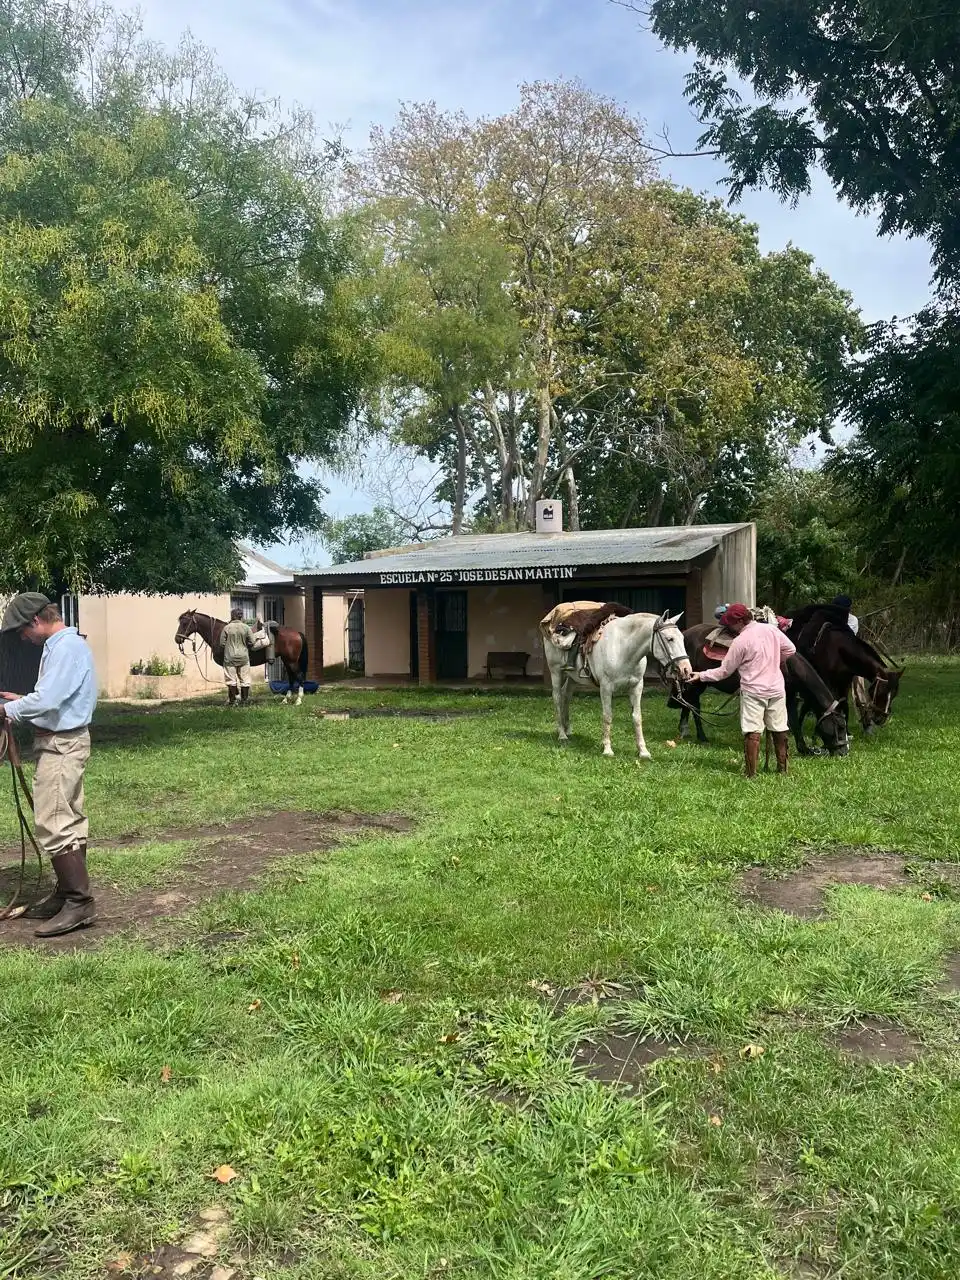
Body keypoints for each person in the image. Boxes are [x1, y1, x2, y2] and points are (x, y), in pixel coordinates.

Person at [0, 593, 97, 937]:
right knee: (70, 818)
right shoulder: (62, 646)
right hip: (65, 740)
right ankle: (66, 894)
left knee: (53, 820)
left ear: (36, 620)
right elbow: (52, 698)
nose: (22, 637)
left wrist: (8, 709)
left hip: (61, 745)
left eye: (21, 630)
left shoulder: (65, 648)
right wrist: (22, 701)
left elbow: (49, 700)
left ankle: (79, 902)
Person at [685, 602, 796, 778]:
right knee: (779, 729)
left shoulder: (740, 641)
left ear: (739, 622)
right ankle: (782, 770)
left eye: (730, 623)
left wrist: (701, 675)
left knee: (752, 732)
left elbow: (724, 672)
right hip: (776, 689)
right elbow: (791, 649)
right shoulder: (772, 630)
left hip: (753, 692)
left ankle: (751, 774)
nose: (729, 627)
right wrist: (774, 660)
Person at [221, 607, 254, 705]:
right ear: (241, 616)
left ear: (232, 616)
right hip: (243, 657)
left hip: (229, 658)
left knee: (231, 680)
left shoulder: (226, 628)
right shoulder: (246, 627)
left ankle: (232, 701)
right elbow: (252, 642)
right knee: (245, 680)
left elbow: (222, 643)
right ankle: (244, 701)